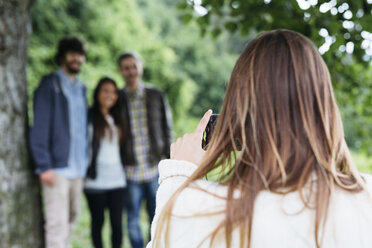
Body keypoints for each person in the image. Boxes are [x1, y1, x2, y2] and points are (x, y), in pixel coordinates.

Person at [147, 30, 372, 248]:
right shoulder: (366, 197)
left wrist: (178, 174)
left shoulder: (205, 209)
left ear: (240, 112)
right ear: (324, 106)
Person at [29, 37, 88, 248]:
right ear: (62, 56)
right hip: (56, 169)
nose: (77, 58)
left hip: (78, 168)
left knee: (73, 218)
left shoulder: (81, 88)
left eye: (80, 54)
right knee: (56, 225)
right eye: (72, 53)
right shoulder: (49, 85)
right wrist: (44, 165)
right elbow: (40, 127)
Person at [117, 52, 173, 248]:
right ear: (120, 71)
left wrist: (170, 160)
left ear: (140, 67)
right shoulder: (118, 99)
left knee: (156, 216)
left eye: (133, 66)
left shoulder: (156, 95)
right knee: (132, 220)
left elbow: (167, 129)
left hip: (153, 168)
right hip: (129, 171)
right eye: (126, 67)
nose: (130, 71)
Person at [84, 77, 127, 248]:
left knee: (117, 224)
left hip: (117, 179)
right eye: (105, 90)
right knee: (98, 222)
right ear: (97, 93)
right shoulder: (88, 115)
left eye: (113, 91)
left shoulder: (117, 117)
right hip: (95, 180)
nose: (110, 95)